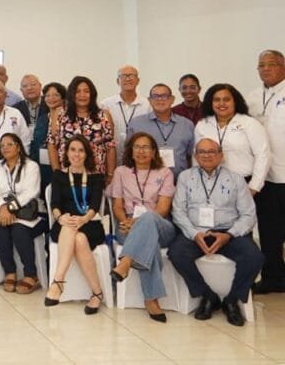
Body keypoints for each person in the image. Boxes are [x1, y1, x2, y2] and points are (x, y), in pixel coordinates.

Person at [168, 138, 262, 327]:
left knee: (254, 257)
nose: (207, 155)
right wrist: (195, 234)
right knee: (176, 253)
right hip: (196, 232)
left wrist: (229, 235)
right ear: (195, 156)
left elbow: (248, 214)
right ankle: (207, 296)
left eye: (212, 151)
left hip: (228, 232)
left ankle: (232, 300)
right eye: (202, 152)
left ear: (221, 155)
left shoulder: (235, 179)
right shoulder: (185, 177)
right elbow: (178, 211)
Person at [109, 132, 177, 322]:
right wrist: (125, 221)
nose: (141, 151)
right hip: (127, 224)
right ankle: (151, 300)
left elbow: (163, 209)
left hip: (160, 223)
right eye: (137, 147)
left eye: (146, 147)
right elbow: (117, 206)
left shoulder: (165, 173)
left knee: (148, 219)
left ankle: (125, 262)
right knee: (148, 243)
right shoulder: (121, 172)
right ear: (130, 151)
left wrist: (137, 222)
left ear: (154, 152)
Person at [45, 135, 106, 314]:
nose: (76, 154)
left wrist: (83, 219)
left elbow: (95, 206)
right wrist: (60, 218)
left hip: (89, 223)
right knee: (75, 234)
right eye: (72, 150)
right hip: (65, 222)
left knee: (77, 235)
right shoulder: (59, 175)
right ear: (66, 153)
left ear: (87, 154)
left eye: (81, 150)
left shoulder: (96, 177)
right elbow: (55, 204)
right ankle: (97, 293)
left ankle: (57, 282)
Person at [0, 133, 47, 295]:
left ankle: (31, 275)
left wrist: (9, 208)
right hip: (3, 210)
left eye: (9, 144)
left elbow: (31, 192)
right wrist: (2, 207)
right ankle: (10, 272)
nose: (5, 147)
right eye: (2, 145)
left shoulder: (31, 166)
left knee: (19, 229)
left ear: (19, 147)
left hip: (31, 212)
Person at [247, 50, 285, 294]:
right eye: (261, 65)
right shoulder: (252, 97)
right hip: (265, 177)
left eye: (271, 64)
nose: (265, 69)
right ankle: (274, 278)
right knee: (269, 232)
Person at [194, 83, 269, 194]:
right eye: (216, 100)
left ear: (235, 101)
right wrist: (197, 182)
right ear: (210, 103)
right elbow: (196, 156)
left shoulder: (249, 123)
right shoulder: (202, 124)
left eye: (226, 99)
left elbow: (263, 155)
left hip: (244, 184)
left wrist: (254, 186)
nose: (221, 103)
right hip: (210, 184)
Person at [47, 76, 117, 184]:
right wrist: (57, 172)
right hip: (66, 175)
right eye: (78, 91)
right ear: (71, 94)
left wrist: (110, 175)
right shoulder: (59, 114)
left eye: (86, 91)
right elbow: (52, 144)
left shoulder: (104, 115)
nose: (82, 95)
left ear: (92, 94)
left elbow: (110, 146)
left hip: (96, 176)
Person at [126, 83, 194, 180]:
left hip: (180, 182)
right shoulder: (136, 124)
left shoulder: (187, 124)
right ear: (149, 100)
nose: (160, 99)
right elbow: (128, 154)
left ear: (172, 99)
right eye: (155, 96)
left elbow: (191, 155)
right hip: (145, 183)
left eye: (164, 96)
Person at [101, 65, 152, 163]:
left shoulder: (147, 105)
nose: (128, 79)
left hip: (140, 160)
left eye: (131, 75)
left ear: (138, 80)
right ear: (117, 81)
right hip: (112, 159)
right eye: (124, 76)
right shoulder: (106, 105)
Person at [30, 82, 66, 189]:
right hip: (42, 166)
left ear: (63, 98)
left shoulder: (67, 118)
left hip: (61, 165)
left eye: (56, 95)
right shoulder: (42, 119)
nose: (51, 98)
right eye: (47, 95)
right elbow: (35, 142)